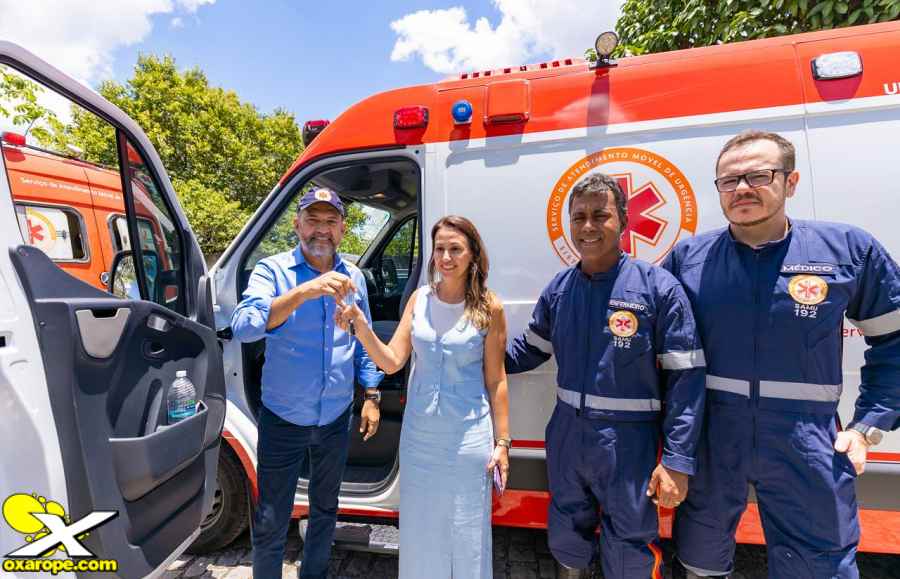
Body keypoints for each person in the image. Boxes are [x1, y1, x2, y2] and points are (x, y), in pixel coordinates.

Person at [663, 130, 900, 579]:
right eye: (729, 180)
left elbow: (895, 338)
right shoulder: (688, 260)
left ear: (790, 182)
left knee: (818, 567)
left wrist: (868, 424)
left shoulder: (846, 251)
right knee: (698, 559)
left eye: (759, 175)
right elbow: (658, 351)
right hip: (714, 437)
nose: (742, 188)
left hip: (806, 440)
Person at [506, 173, 706, 579]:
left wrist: (677, 460)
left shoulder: (658, 288)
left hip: (630, 441)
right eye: (579, 217)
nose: (588, 226)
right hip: (568, 434)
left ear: (624, 221)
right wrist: (470, 356)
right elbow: (529, 350)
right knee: (566, 531)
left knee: (631, 543)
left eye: (600, 215)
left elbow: (686, 380)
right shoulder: (560, 289)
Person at [336, 215, 510, 579]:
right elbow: (392, 361)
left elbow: (496, 380)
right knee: (420, 531)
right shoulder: (419, 299)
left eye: (455, 249)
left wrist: (503, 443)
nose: (445, 257)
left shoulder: (489, 307)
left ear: (473, 254)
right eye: (440, 248)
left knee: (466, 531)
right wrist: (361, 327)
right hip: (420, 440)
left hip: (468, 439)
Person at [231, 187, 384, 579]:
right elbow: (245, 327)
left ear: (342, 230)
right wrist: (303, 292)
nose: (321, 229)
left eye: (330, 221)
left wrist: (371, 393)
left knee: (325, 510)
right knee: (272, 516)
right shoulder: (272, 271)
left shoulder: (354, 277)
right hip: (283, 419)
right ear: (296, 225)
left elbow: (363, 340)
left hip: (335, 418)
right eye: (312, 220)